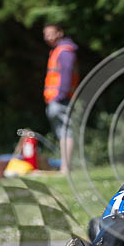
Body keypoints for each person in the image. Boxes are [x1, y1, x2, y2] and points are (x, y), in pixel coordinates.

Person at [43, 23, 79, 175]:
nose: (47, 37)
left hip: (62, 99)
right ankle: (65, 167)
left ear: (60, 33)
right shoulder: (58, 51)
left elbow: (66, 74)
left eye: (51, 33)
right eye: (45, 34)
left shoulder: (64, 52)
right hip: (57, 99)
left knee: (66, 133)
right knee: (62, 133)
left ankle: (66, 167)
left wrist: (60, 96)